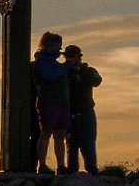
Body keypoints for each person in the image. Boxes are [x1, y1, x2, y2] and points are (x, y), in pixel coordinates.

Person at [31, 31, 71, 173]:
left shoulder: (56, 63)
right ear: (49, 44)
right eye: (57, 45)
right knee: (46, 132)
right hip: (48, 101)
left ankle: (61, 166)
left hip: (61, 102)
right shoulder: (41, 61)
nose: (60, 48)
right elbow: (50, 75)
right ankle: (42, 165)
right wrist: (67, 65)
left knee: (60, 134)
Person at [64, 44, 102, 172]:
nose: (72, 59)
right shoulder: (64, 72)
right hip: (70, 113)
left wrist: (81, 72)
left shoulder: (88, 71)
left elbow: (97, 81)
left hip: (86, 113)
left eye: (74, 56)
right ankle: (71, 173)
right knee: (71, 146)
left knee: (88, 145)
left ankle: (92, 173)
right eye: (69, 57)